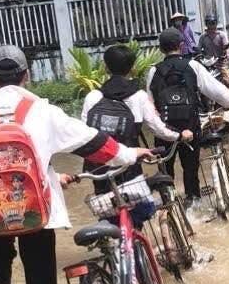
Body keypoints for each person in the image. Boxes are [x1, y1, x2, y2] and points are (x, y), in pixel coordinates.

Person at [0, 45, 152, 284]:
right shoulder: (42, 112)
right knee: (40, 282)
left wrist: (53, 176)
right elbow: (92, 142)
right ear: (26, 75)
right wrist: (129, 154)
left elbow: (0, 167)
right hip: (36, 208)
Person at [81, 43, 193, 188]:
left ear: (106, 68)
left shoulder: (92, 97)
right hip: (129, 165)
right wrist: (179, 135)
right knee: (143, 207)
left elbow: (84, 133)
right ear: (133, 69)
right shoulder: (139, 96)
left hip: (100, 169)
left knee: (106, 205)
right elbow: (158, 128)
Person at [147, 27, 229, 203]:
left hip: (164, 130)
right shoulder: (193, 66)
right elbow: (216, 90)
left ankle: (170, 207)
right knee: (191, 168)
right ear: (181, 46)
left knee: (166, 171)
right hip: (190, 127)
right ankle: (193, 202)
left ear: (160, 49)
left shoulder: (153, 71)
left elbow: (150, 105)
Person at [197, 15, 229, 89]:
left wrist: (227, 53)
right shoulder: (203, 37)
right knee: (202, 84)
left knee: (228, 81)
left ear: (216, 24)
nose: (212, 26)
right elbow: (199, 49)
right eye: (209, 23)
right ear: (206, 24)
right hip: (208, 64)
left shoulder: (221, 35)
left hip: (221, 62)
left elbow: (227, 46)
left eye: (213, 23)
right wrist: (198, 53)